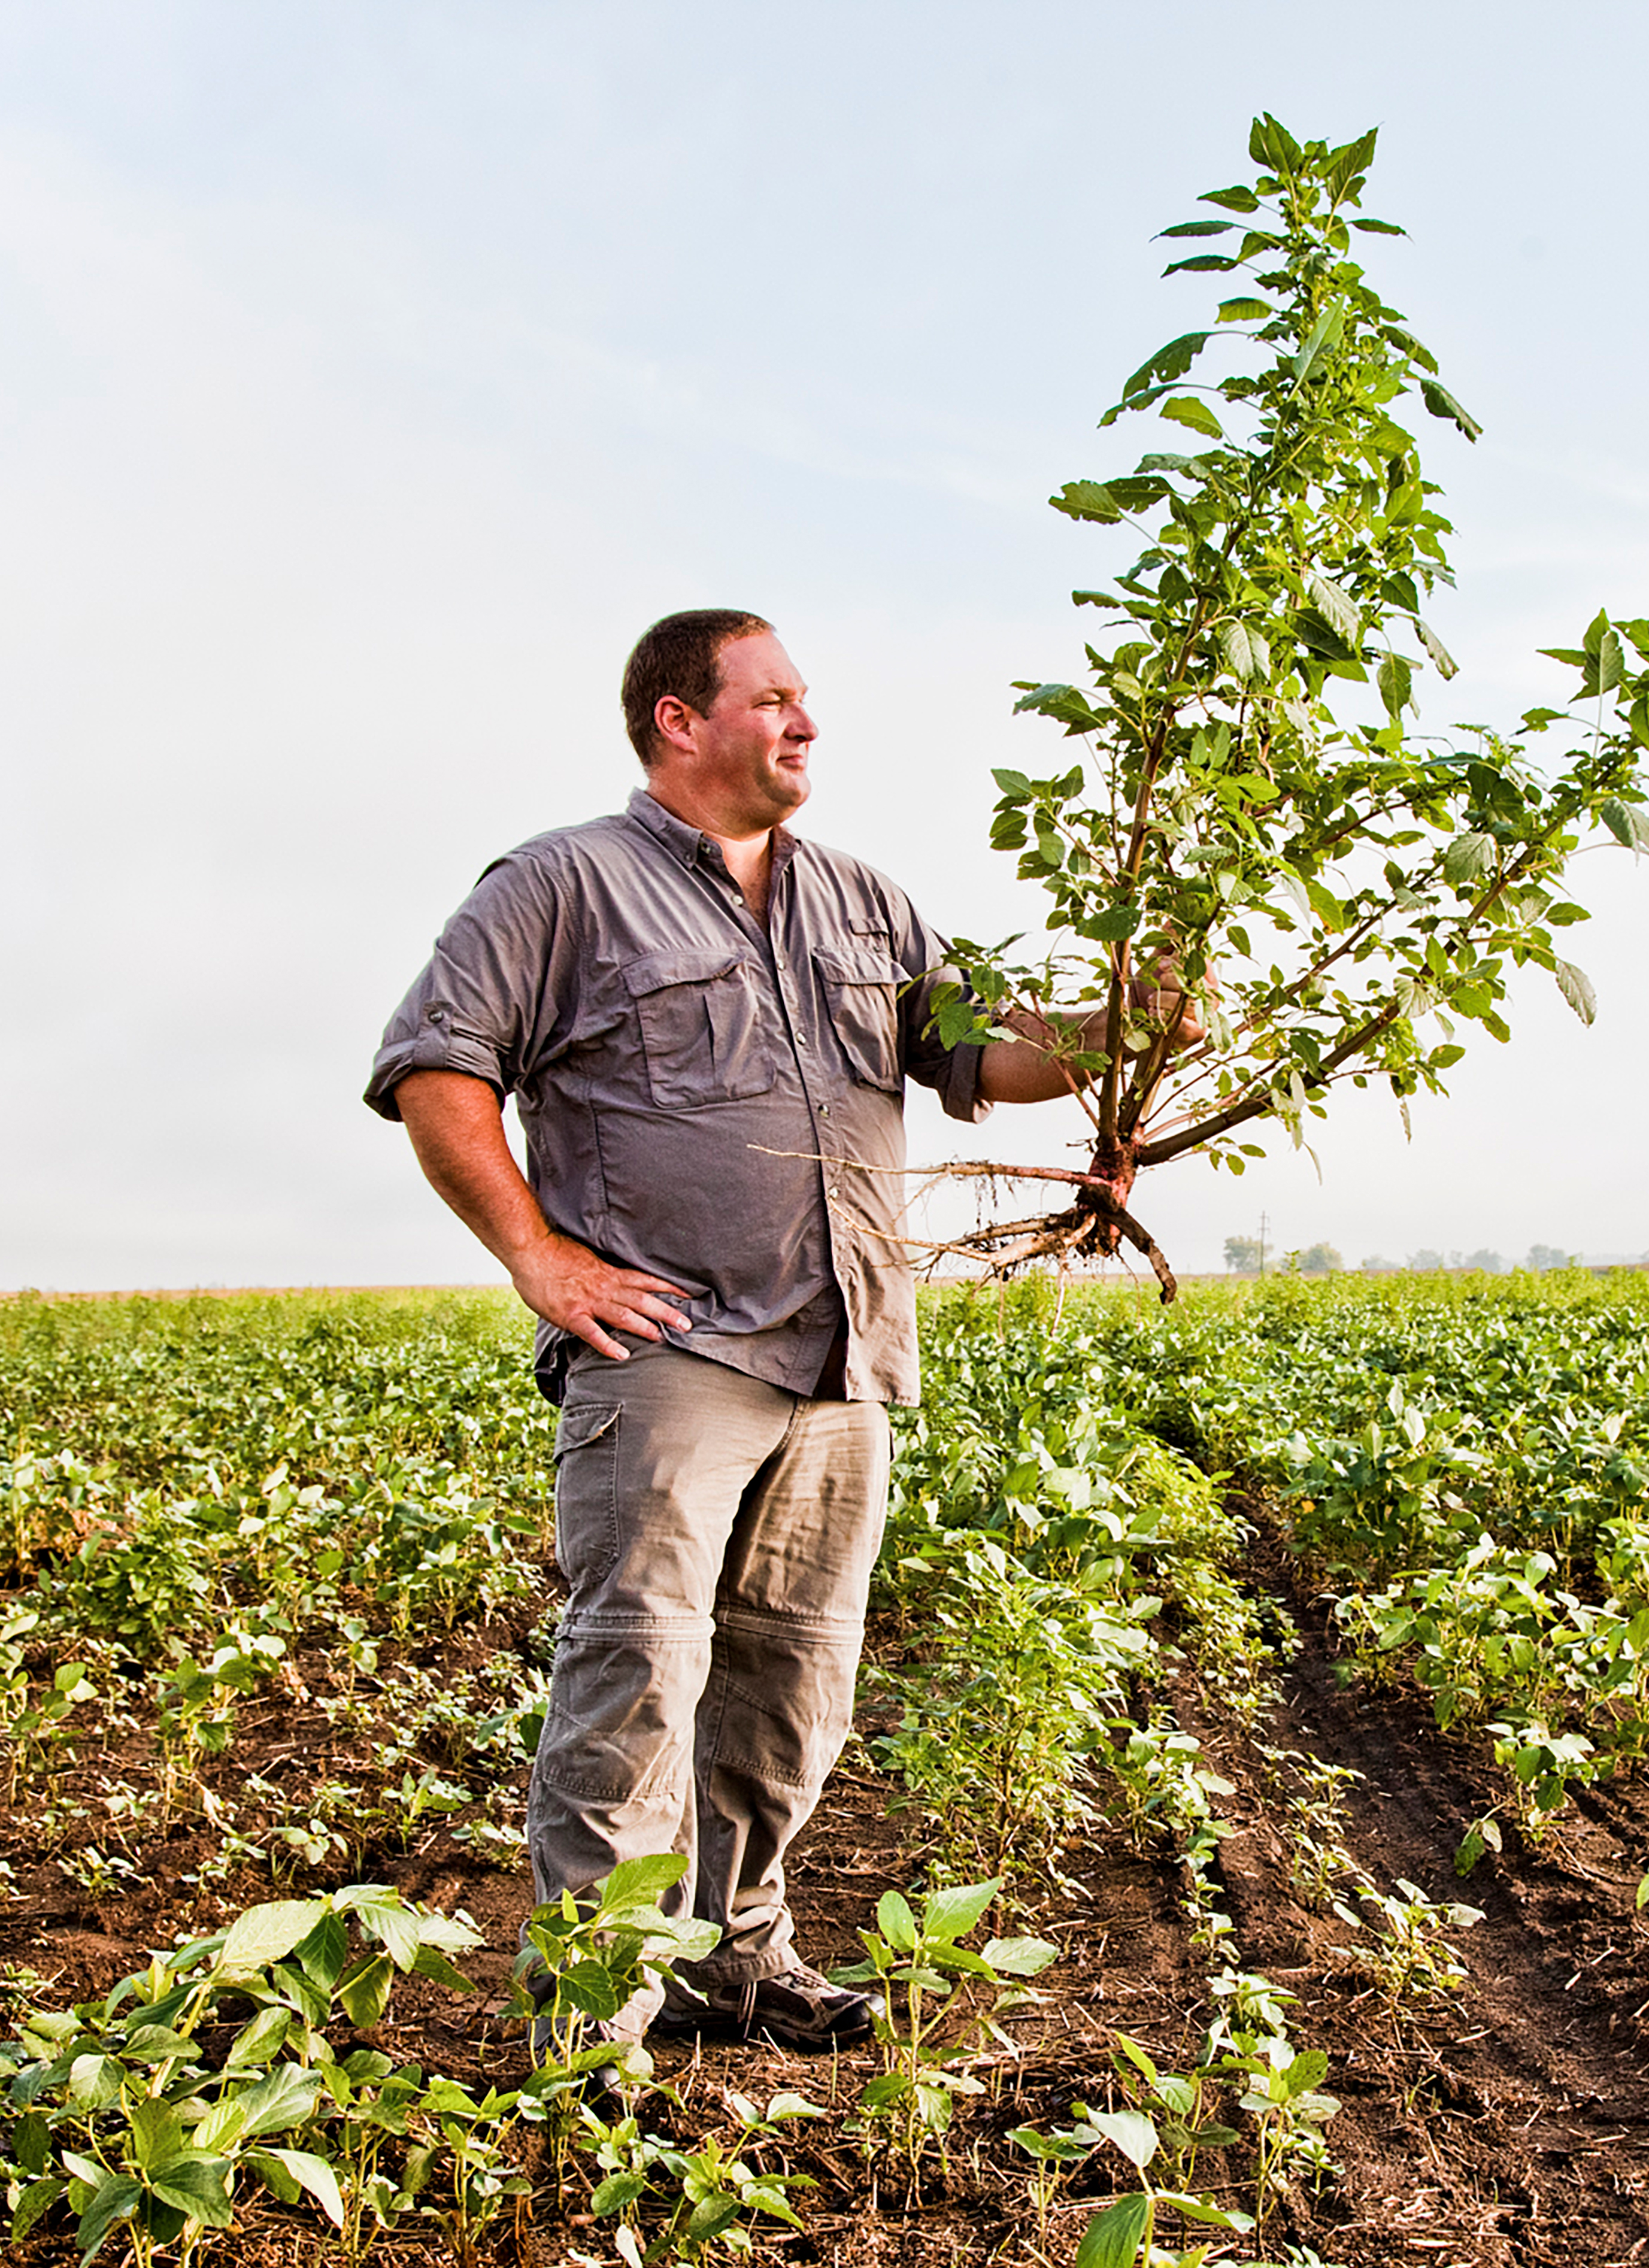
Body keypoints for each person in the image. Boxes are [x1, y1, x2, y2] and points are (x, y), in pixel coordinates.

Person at [365, 608, 1150, 2052]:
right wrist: (539, 1256)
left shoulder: (864, 900)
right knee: (640, 1680)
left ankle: (737, 1961)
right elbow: (435, 1067)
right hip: (671, 1354)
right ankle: (590, 2027)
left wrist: (1127, 1025)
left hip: (844, 1353)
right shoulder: (561, 887)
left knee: (793, 1684)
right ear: (679, 717)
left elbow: (982, 1053)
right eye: (774, 698)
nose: (804, 724)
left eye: (807, 702)